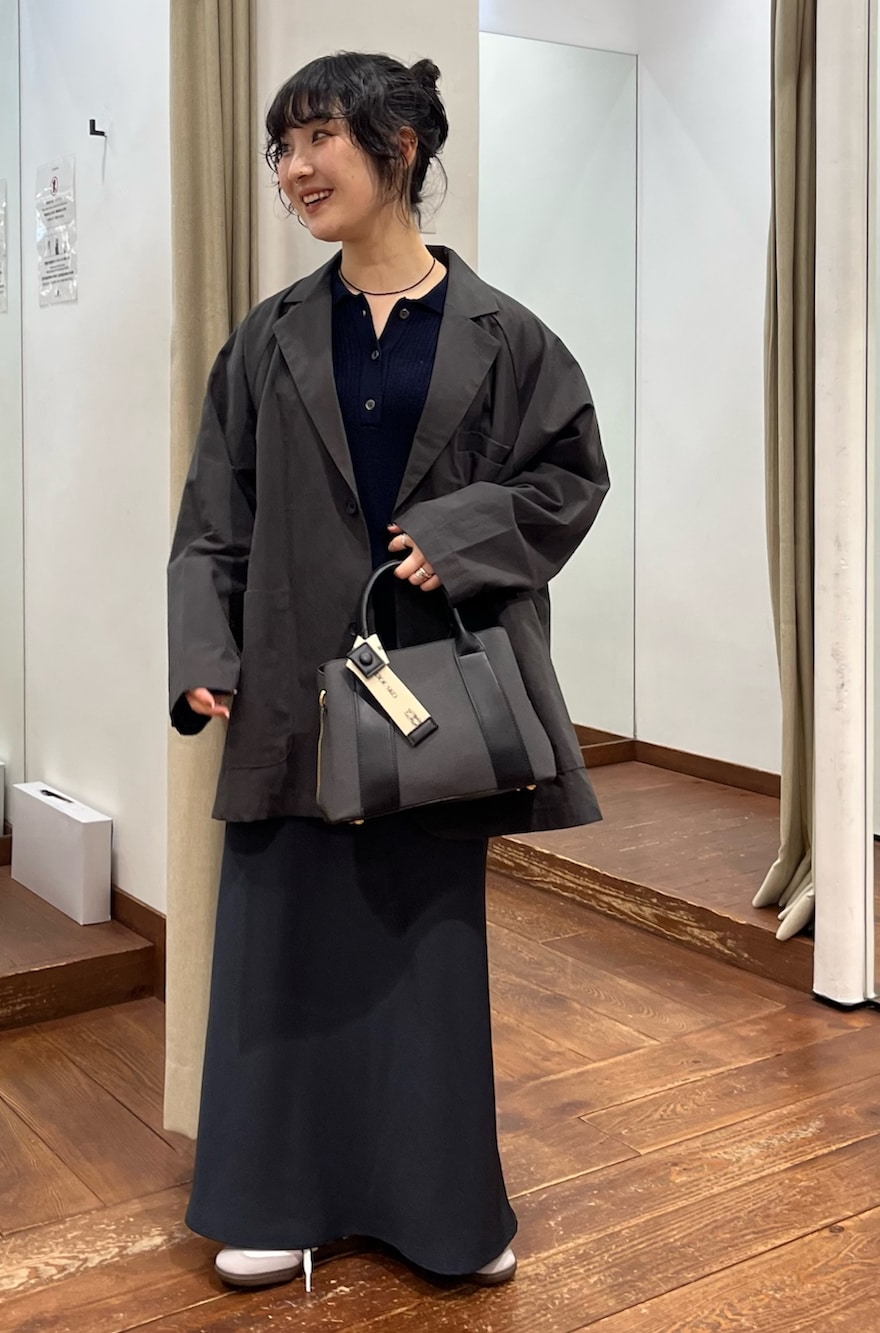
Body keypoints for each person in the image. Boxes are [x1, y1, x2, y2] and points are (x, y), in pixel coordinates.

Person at [167, 50, 609, 1295]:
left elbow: (568, 478)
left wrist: (460, 534)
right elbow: (213, 515)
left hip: (433, 696)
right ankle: (274, 1200)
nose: (293, 169)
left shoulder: (505, 336)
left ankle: (440, 1208)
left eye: (318, 138)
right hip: (289, 681)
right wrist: (204, 651)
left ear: (397, 146)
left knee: (424, 945)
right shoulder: (266, 339)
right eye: (282, 148)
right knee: (282, 939)